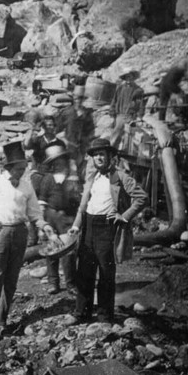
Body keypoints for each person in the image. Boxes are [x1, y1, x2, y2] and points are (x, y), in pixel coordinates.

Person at [0, 142, 55, 345]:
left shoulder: (26, 185)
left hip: (20, 233)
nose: (22, 172)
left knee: (11, 280)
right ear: (8, 168)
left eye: (24, 168)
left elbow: (33, 212)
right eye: (19, 168)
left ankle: (1, 323)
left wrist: (43, 224)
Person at [68, 138, 148, 322]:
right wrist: (75, 226)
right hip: (88, 226)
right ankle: (81, 313)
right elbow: (83, 206)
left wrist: (125, 216)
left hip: (107, 228)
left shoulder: (121, 177)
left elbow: (141, 198)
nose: (98, 158)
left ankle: (104, 316)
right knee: (84, 272)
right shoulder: (91, 178)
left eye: (102, 154)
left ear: (110, 156)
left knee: (105, 272)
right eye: (95, 155)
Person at [35, 145, 78, 294]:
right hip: (51, 215)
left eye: (61, 160)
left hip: (67, 217)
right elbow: (42, 200)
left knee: (69, 251)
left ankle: (71, 283)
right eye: (55, 161)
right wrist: (42, 224)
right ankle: (53, 282)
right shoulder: (47, 179)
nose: (59, 163)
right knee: (51, 249)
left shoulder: (72, 177)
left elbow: (79, 199)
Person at [58, 88, 96, 177]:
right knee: (70, 166)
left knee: (81, 164)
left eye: (80, 98)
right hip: (69, 144)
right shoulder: (66, 112)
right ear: (73, 99)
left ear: (83, 100)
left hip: (82, 144)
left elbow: (90, 129)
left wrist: (87, 140)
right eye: (76, 98)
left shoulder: (87, 113)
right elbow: (58, 128)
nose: (78, 100)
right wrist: (63, 140)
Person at [110, 67, 144, 146]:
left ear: (133, 77)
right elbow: (114, 101)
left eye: (130, 76)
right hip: (120, 116)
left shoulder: (138, 90)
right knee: (116, 135)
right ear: (124, 78)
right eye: (126, 76)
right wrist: (112, 113)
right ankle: (111, 151)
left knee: (130, 137)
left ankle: (125, 154)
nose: (128, 78)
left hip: (131, 116)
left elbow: (141, 104)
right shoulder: (120, 88)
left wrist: (139, 116)